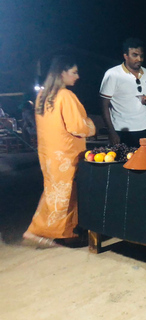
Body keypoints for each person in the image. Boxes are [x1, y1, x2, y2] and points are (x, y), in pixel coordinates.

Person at [23, 56, 96, 247]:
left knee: (55, 192)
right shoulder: (65, 96)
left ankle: (63, 231)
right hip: (66, 154)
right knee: (64, 194)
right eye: (74, 72)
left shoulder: (43, 96)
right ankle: (40, 231)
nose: (77, 76)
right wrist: (91, 126)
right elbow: (78, 127)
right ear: (62, 73)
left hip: (49, 153)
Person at [100, 38, 146, 147]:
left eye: (141, 55)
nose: (139, 59)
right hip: (121, 129)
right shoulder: (113, 74)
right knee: (123, 163)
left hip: (145, 127)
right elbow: (103, 104)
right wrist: (111, 131)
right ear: (126, 56)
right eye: (135, 55)